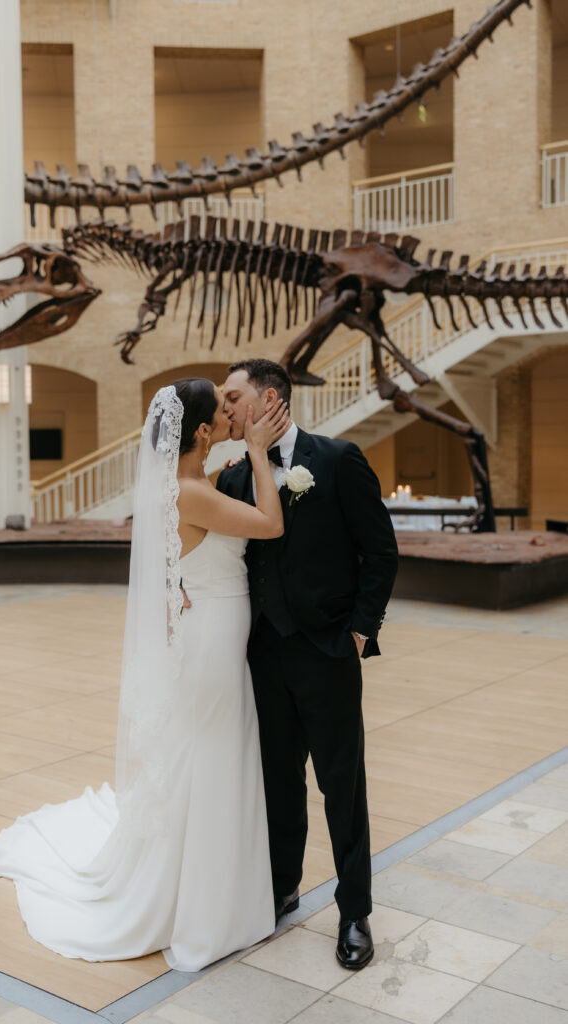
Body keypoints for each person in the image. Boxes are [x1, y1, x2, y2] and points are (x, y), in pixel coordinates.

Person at [0, 377, 290, 972]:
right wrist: (257, 452)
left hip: (209, 630)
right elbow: (270, 524)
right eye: (222, 411)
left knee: (205, 750)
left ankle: (208, 885)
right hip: (212, 641)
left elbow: (178, 556)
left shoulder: (184, 483)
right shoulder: (190, 491)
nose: (232, 415)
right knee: (212, 752)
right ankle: (204, 902)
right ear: (201, 430)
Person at [217, 358, 399, 971]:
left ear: (269, 400)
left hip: (328, 652)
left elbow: (380, 551)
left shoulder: (338, 459)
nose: (226, 407)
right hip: (261, 655)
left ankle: (355, 911)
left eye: (234, 397)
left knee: (342, 785)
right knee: (277, 781)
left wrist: (359, 632)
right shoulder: (233, 477)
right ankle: (282, 887)